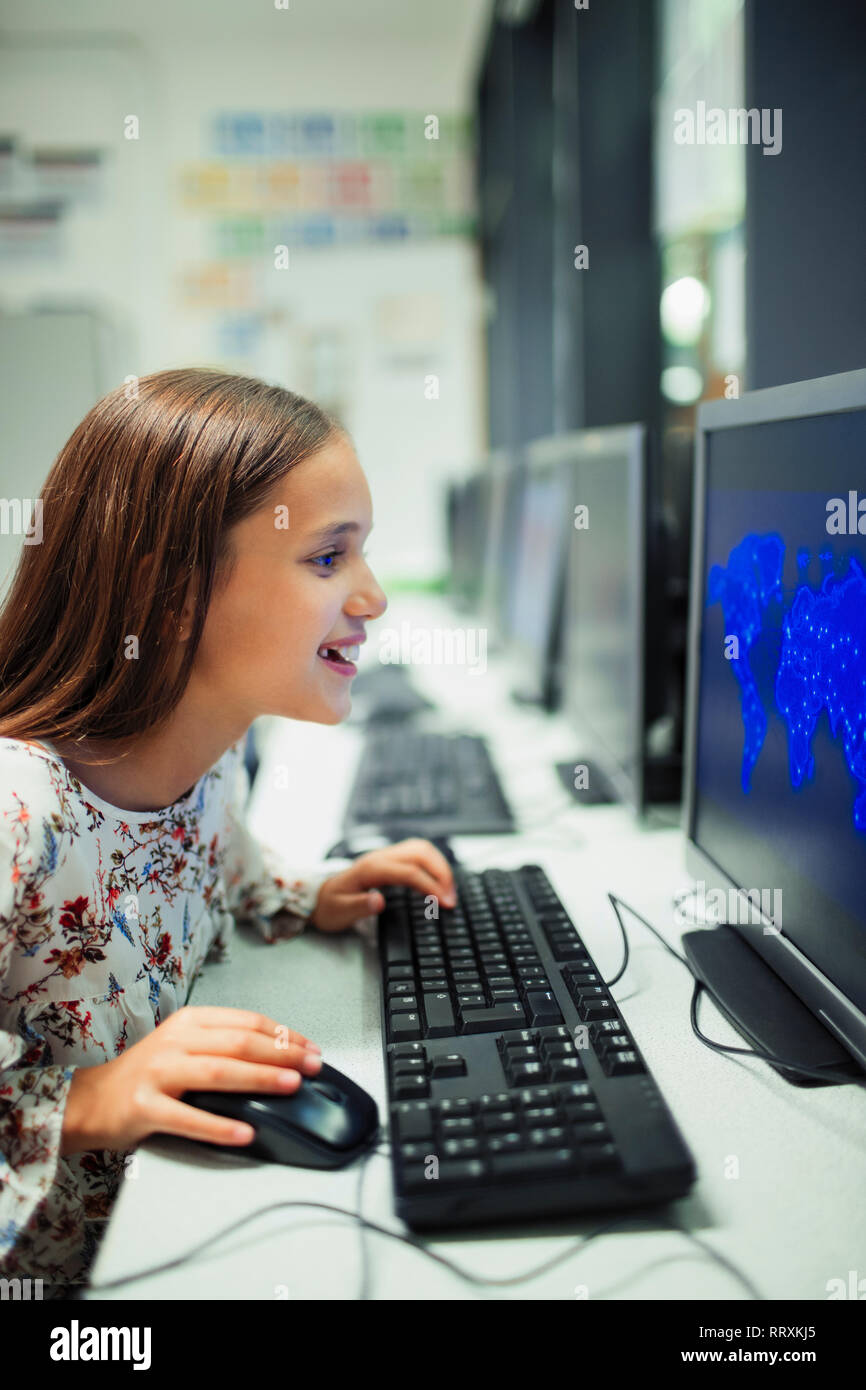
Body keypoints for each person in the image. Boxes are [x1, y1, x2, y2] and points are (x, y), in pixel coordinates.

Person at [0, 367, 455, 1293]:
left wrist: (310, 894)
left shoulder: (212, 758)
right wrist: (81, 1104)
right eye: (329, 559)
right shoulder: (19, 815)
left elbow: (215, 867)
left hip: (162, 1232)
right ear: (170, 595)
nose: (371, 598)